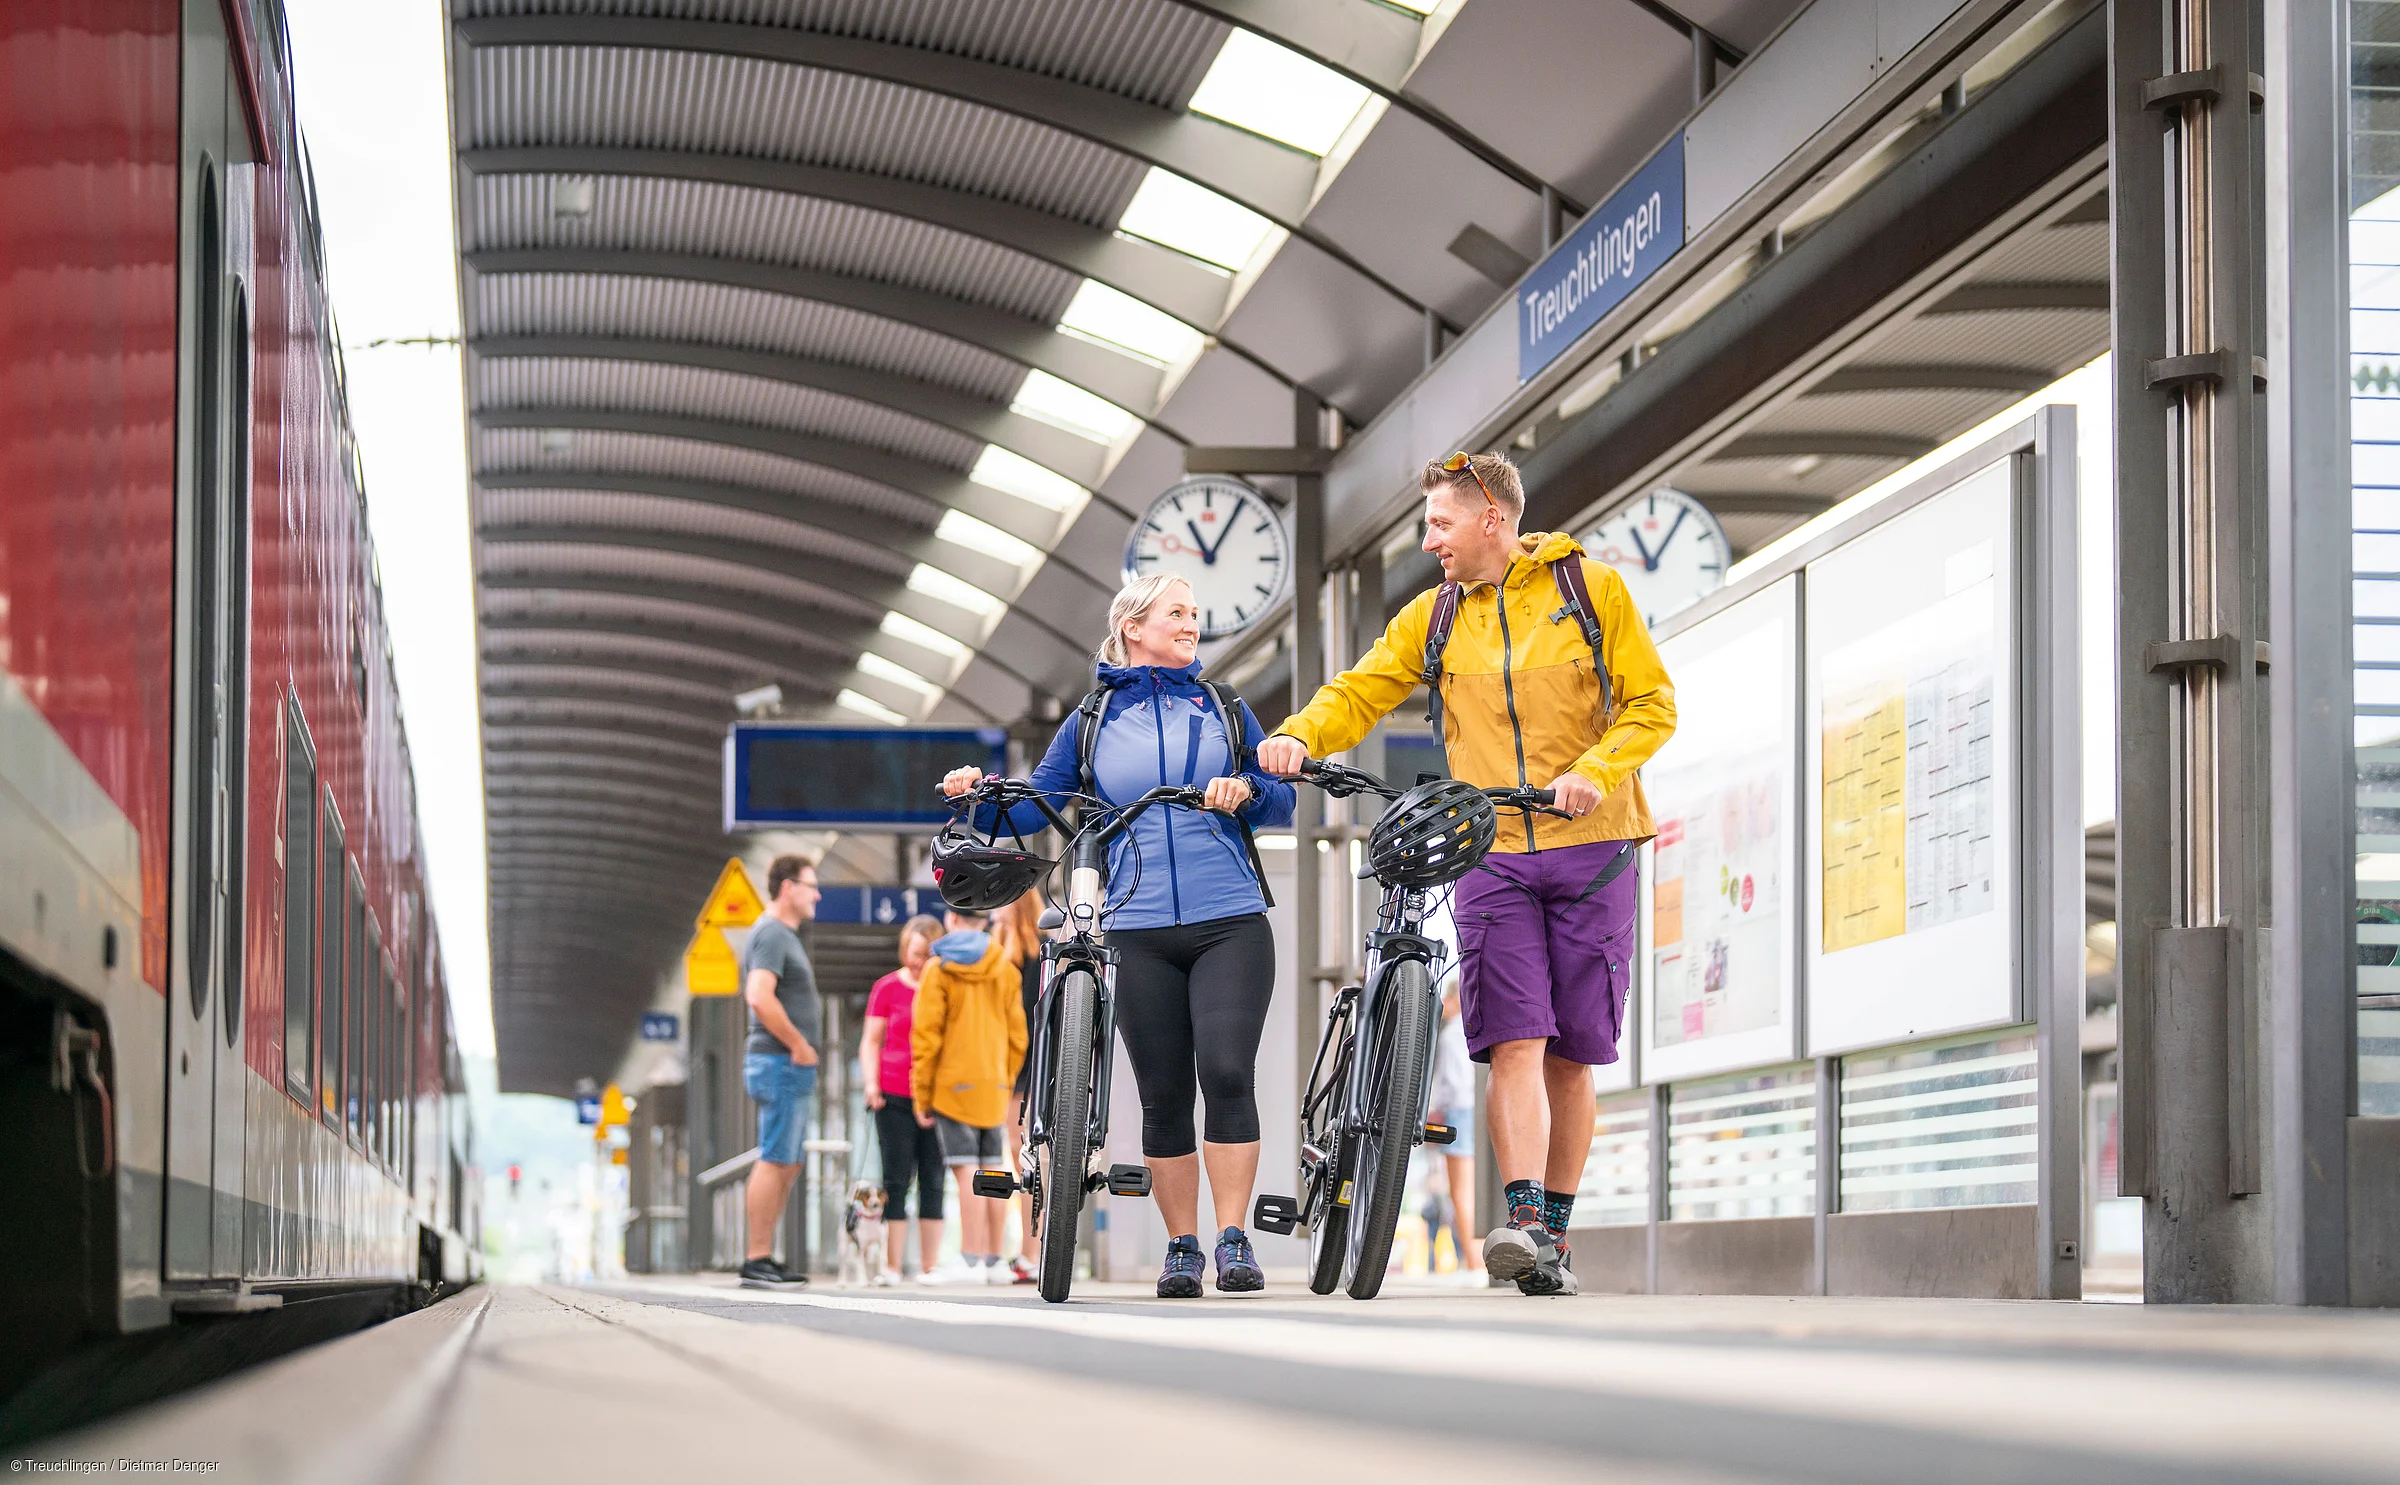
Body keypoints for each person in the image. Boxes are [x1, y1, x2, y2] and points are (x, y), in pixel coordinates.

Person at [1256, 452, 1675, 1297]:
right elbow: (1361, 689)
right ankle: (1520, 1222)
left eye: (1440, 523)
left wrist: (1597, 766)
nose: (1428, 539)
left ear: (1491, 516)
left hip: (1595, 847)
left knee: (1572, 1055)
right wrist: (1300, 734)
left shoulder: (1590, 593)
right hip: (1492, 852)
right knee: (1511, 1040)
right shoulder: (1435, 616)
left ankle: (1555, 1232)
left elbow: (1653, 703)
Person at [942, 574, 1295, 1298]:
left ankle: (1234, 1239)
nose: (1191, 623)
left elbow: (1282, 796)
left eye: (1195, 613)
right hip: (1133, 924)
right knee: (1163, 1094)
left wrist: (1248, 789)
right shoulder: (1094, 715)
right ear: (1132, 625)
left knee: (1227, 1072)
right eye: (1177, 612)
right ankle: (1183, 1247)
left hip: (1228, 915)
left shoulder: (1224, 706)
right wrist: (982, 790)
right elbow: (1045, 795)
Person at [909, 905, 1028, 1285]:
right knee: (993, 1169)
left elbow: (927, 1037)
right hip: (993, 1084)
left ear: (950, 919)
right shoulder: (1006, 969)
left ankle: (968, 1259)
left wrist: (921, 1094)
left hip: (952, 1085)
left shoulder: (938, 969)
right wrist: (1003, 1079)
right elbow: (1018, 1037)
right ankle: (994, 1262)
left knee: (965, 1170)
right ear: (986, 920)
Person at [739, 854, 823, 1289]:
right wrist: (798, 1045)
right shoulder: (772, 933)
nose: (817, 894)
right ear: (788, 887)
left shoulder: (781, 934)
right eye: (811, 885)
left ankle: (764, 1256)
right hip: (779, 1060)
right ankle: (756, 1257)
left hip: (783, 1063)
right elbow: (758, 995)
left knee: (786, 1161)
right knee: (775, 1158)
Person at [862, 914, 946, 1283]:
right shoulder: (886, 988)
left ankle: (931, 1266)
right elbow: (871, 1041)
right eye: (914, 953)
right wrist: (870, 1085)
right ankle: (891, 1265)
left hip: (937, 1097)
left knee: (934, 1180)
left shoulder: (945, 986)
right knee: (896, 1180)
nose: (919, 961)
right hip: (893, 1095)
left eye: (927, 954)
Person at [998, 889, 1047, 1285]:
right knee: (1033, 1155)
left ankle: (1032, 1250)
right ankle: (1034, 1249)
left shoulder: (1002, 959)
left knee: (1022, 1156)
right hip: (1041, 1061)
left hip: (1014, 1065)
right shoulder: (1046, 954)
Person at [1424, 976, 1485, 1283]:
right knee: (1479, 1186)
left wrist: (1435, 1114)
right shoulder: (1482, 1025)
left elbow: (1449, 1084)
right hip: (1480, 1108)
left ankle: (1475, 1261)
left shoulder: (1451, 1034)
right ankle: (1481, 1257)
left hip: (1457, 1111)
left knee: (1461, 1190)